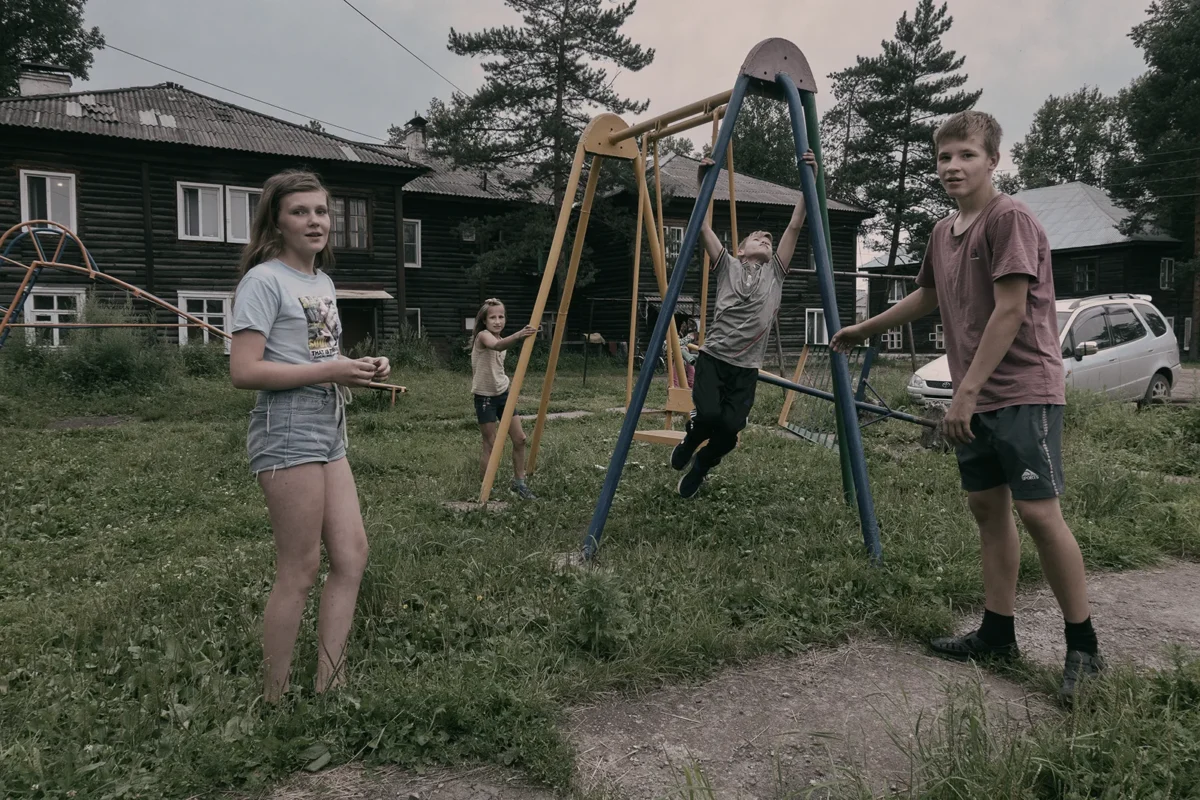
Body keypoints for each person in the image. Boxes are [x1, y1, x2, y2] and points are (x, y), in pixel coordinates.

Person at [831, 110, 1103, 703]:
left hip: (1022, 390)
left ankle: (1084, 648)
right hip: (974, 395)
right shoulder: (942, 231)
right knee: (987, 509)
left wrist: (967, 393)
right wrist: (864, 329)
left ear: (993, 161)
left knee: (1038, 514)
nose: (953, 167)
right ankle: (997, 633)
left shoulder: (1010, 221)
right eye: (944, 158)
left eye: (966, 156)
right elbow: (928, 296)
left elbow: (1010, 312)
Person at [229, 169, 389, 703]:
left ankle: (331, 684)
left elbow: (316, 356)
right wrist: (330, 372)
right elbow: (245, 370)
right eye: (301, 211)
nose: (316, 221)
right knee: (299, 568)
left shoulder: (320, 283)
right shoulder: (263, 280)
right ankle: (273, 700)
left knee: (352, 556)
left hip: (328, 422)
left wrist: (359, 366)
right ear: (276, 220)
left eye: (322, 211)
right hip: (287, 426)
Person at [669, 149, 818, 498]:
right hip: (715, 357)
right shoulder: (727, 266)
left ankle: (702, 465)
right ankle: (691, 439)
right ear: (739, 249)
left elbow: (795, 225)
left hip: (747, 367)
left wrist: (807, 181)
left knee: (731, 429)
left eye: (769, 239)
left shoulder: (776, 273)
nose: (765, 240)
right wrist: (703, 181)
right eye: (757, 238)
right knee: (707, 415)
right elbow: (701, 226)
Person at [471, 298, 538, 500]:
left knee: (520, 439)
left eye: (501, 316)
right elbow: (498, 346)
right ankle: (486, 489)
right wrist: (519, 334)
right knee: (490, 444)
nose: (498, 321)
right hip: (485, 397)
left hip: (503, 394)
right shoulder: (484, 336)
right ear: (484, 321)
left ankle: (519, 483)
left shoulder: (501, 337)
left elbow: (501, 347)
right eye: (493, 317)